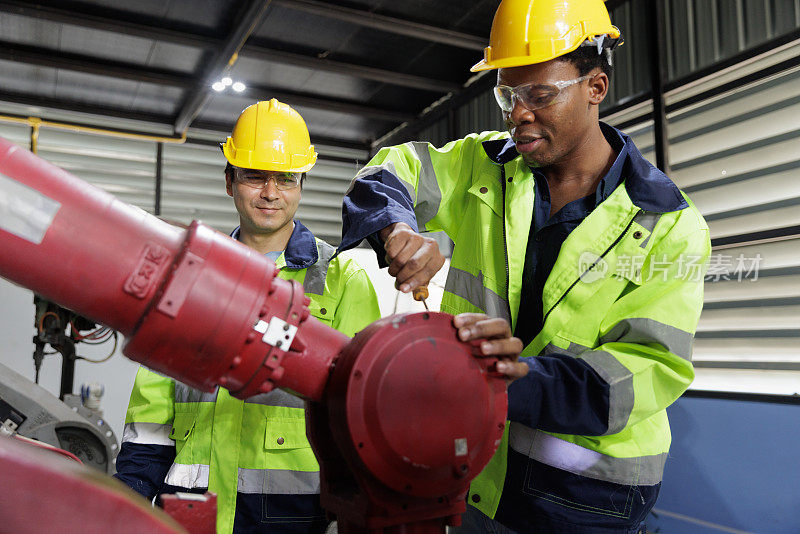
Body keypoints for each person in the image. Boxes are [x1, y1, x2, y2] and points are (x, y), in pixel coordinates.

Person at [338, 1, 711, 532]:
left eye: (539, 95)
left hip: (587, 498)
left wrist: (511, 381)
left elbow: (646, 372)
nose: (517, 114)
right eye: (507, 95)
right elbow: (387, 170)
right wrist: (395, 228)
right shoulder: (484, 166)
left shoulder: (668, 224)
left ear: (595, 87)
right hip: (478, 479)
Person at [115, 99, 382, 534]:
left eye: (286, 179)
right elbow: (152, 411)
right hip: (190, 508)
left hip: (293, 515)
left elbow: (361, 417)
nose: (270, 193)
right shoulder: (191, 273)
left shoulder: (341, 279)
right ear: (229, 181)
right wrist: (125, 497)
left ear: (302, 185)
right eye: (255, 176)